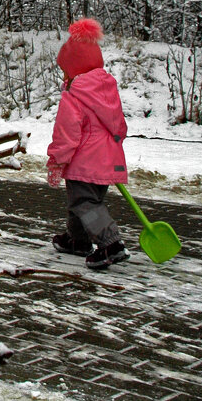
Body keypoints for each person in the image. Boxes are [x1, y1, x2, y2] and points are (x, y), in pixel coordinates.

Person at [46, 18, 130, 270]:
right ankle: (77, 241)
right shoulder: (106, 90)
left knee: (85, 204)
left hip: (84, 162)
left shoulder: (74, 95)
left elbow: (66, 134)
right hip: (107, 162)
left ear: (74, 67)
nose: (64, 75)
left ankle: (110, 244)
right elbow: (120, 129)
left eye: (65, 70)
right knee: (81, 203)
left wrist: (56, 160)